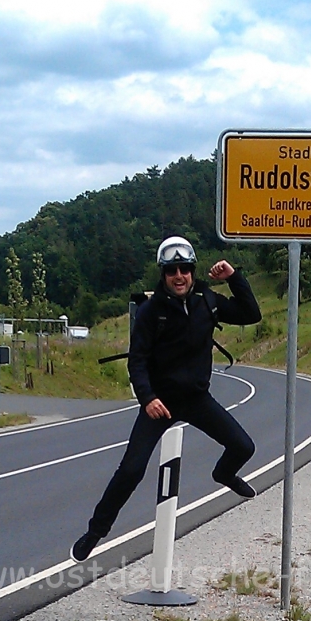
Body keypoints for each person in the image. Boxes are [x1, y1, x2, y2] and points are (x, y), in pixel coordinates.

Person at [71, 236, 262, 561]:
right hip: (159, 403)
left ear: (192, 271)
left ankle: (224, 475)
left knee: (244, 447)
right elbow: (138, 360)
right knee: (131, 471)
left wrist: (233, 276)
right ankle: (95, 532)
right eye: (172, 269)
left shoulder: (208, 302)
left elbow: (250, 314)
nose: (179, 275)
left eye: (185, 269)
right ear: (163, 273)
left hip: (198, 400)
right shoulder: (151, 311)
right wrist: (147, 397)